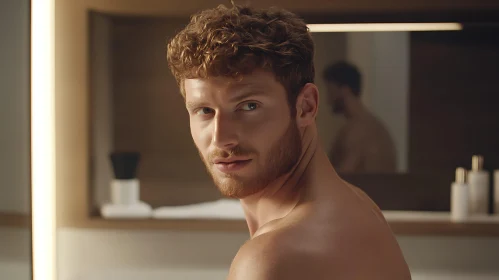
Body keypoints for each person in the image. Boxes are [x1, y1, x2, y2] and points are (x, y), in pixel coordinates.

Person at [167, 4, 411, 280]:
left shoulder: (269, 260)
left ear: (305, 106)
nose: (221, 138)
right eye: (204, 110)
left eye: (248, 106)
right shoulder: (360, 205)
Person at [323, 61, 398, 173]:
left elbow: (344, 177)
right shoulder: (377, 128)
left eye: (330, 91)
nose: (328, 100)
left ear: (344, 90)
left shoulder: (356, 132)